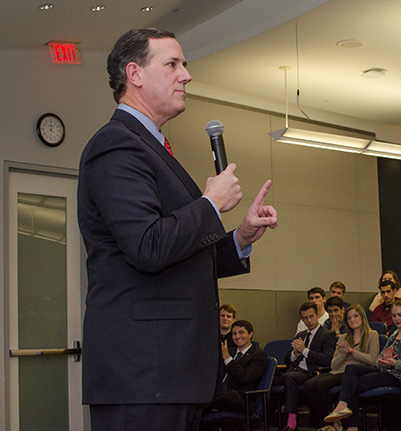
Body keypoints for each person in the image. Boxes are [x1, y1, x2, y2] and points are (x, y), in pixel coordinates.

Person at [77, 28, 278, 431]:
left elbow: (179, 256)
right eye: (172, 64)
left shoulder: (152, 147)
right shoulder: (116, 145)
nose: (185, 75)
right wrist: (209, 204)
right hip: (144, 374)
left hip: (171, 374)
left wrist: (239, 238)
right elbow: (147, 247)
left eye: (184, 64)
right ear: (134, 74)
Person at [324, 300, 401, 431]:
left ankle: (348, 420)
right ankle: (351, 423)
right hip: (386, 372)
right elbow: (378, 360)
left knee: (350, 383)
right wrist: (384, 360)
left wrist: (396, 363)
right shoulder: (393, 336)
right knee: (350, 382)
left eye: (400, 315)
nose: (397, 319)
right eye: (394, 316)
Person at [304, 304, 380, 430]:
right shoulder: (344, 337)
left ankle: (333, 420)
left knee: (320, 385)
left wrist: (351, 351)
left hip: (355, 372)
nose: (352, 320)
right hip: (337, 371)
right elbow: (333, 365)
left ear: (362, 317)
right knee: (308, 385)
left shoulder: (372, 335)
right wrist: (342, 355)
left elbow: (372, 360)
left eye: (355, 316)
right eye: (349, 318)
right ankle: (332, 418)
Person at [276, 302, 336, 431]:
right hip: (294, 370)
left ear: (317, 316)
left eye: (311, 316)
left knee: (290, 377)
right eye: (305, 318)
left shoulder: (326, 335)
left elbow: (327, 359)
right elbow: (287, 359)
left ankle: (291, 421)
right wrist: (294, 353)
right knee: (272, 378)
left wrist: (304, 351)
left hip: (311, 372)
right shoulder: (301, 335)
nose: (309, 321)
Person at [205, 320, 267, 415]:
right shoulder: (230, 351)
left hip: (242, 398)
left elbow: (244, 378)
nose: (237, 337)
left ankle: (202, 408)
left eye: (241, 332)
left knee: (229, 395)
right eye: (234, 333)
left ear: (250, 334)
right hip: (220, 394)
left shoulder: (258, 355)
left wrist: (227, 358)